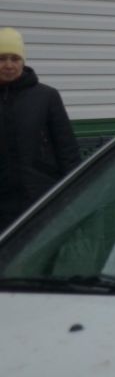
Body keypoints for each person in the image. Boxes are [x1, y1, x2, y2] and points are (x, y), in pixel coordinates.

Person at [0, 28, 82, 230]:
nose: (9, 65)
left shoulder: (46, 97)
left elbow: (67, 149)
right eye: (2, 58)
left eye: (15, 58)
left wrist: (74, 192)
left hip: (39, 199)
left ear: (23, 61)